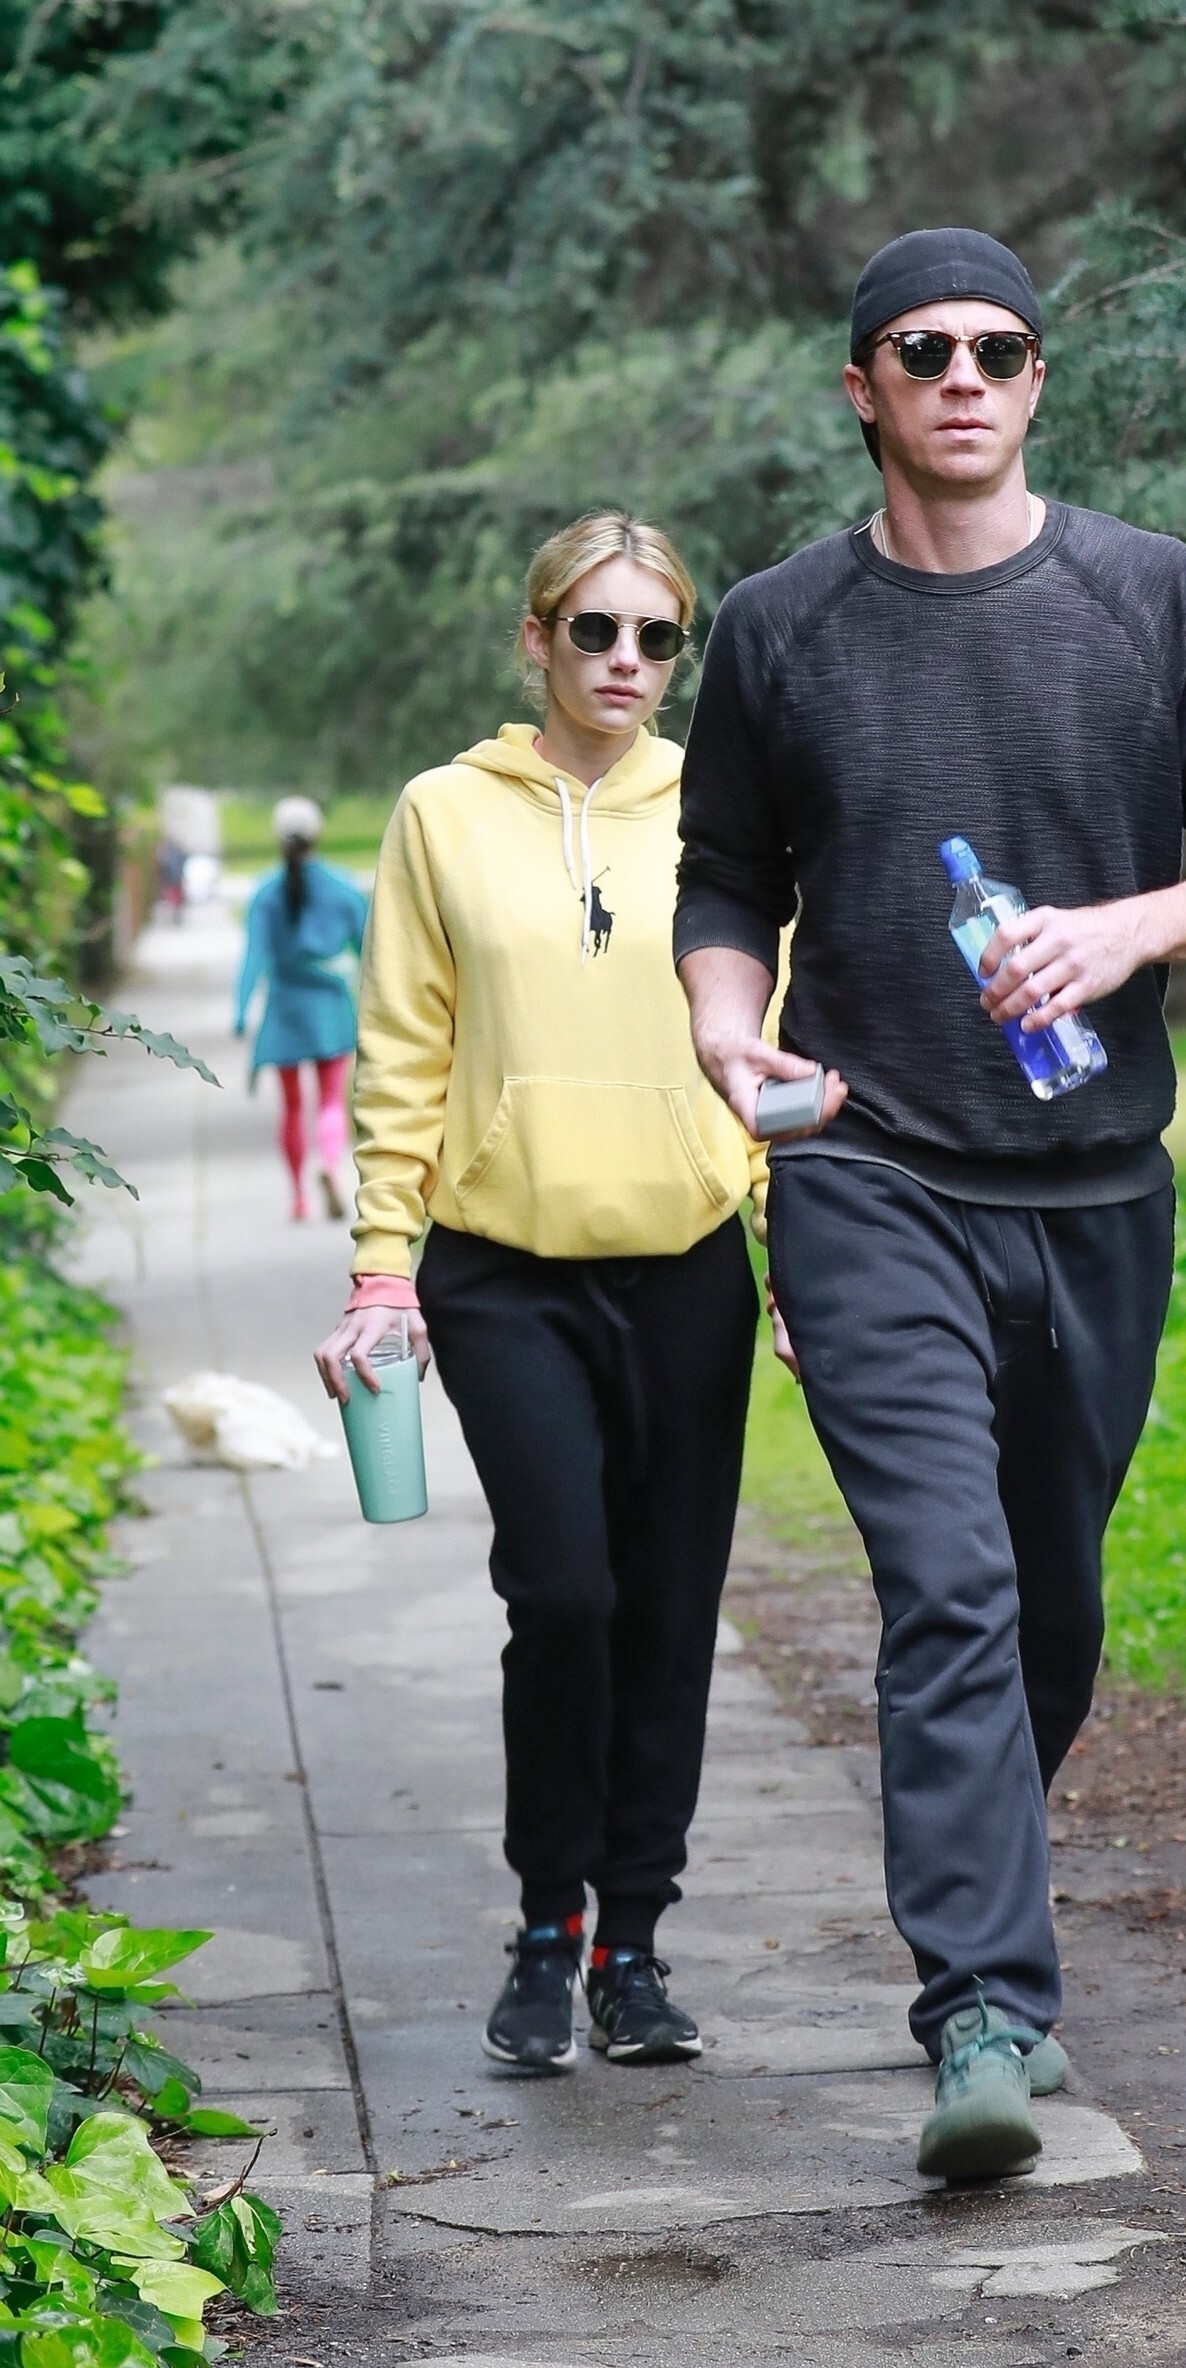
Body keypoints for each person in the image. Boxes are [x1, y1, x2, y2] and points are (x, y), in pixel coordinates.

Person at [673, 227, 1186, 2181]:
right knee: (947, 1587)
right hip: (867, 1171)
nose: (961, 375)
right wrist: (724, 1029)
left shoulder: (1145, 595)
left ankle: (984, 1897)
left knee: (1048, 1603)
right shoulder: (779, 629)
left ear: (1035, 381)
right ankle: (979, 2006)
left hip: (1097, 1186)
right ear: (863, 389)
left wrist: (1129, 931)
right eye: (921, 349)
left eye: (997, 347)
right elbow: (726, 879)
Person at [313, 509, 765, 2077]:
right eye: (596, 630)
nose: (627, 660)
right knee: (564, 1594)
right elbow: (403, 1052)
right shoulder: (443, 813)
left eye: (658, 636)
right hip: (502, 1270)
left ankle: (632, 1946)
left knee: (671, 1610)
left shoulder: (722, 806)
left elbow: (774, 1033)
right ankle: (544, 1924)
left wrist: (788, 1245)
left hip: (689, 1262)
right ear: (537, 638)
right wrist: (382, 1268)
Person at [236, 798, 368, 1221]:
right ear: (317, 835)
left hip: (285, 1009)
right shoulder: (344, 887)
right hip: (331, 1008)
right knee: (331, 1100)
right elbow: (371, 949)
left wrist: (240, 1010)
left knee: (292, 1106)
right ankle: (330, 1165)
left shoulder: (265, 893)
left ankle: (298, 1198)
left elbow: (254, 956)